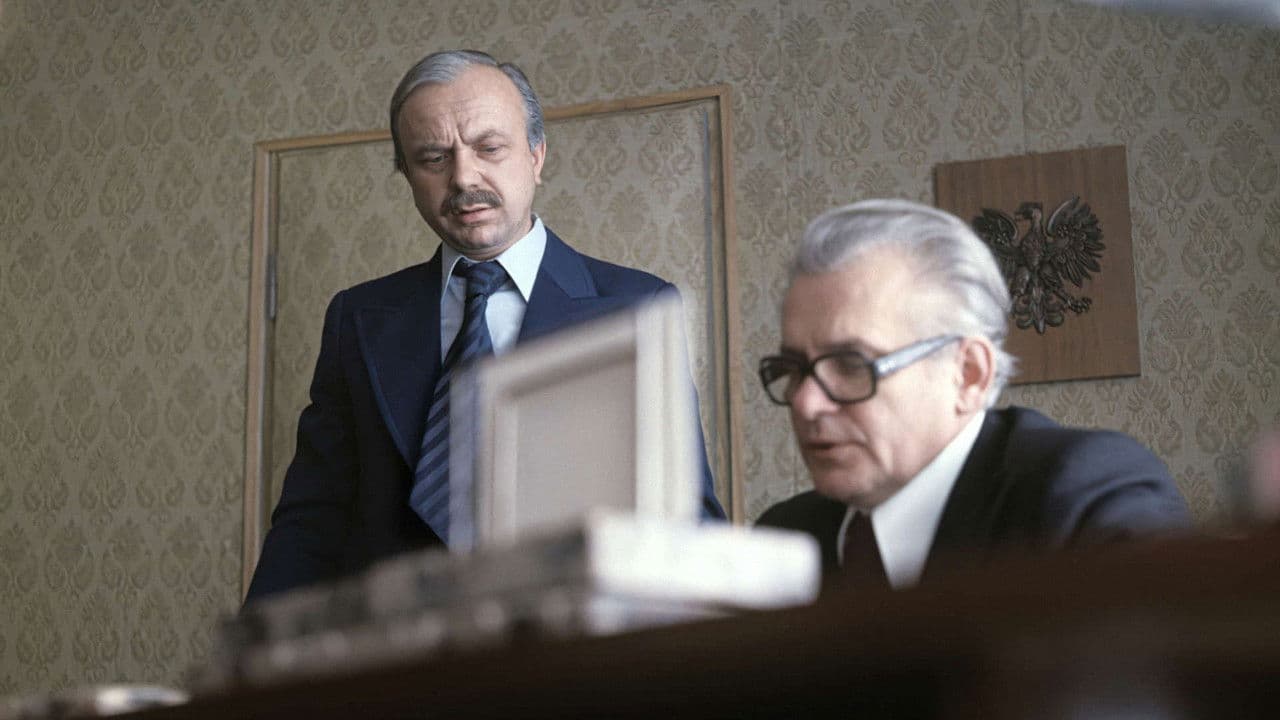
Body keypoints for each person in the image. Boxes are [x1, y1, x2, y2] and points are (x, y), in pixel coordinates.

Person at [246, 49, 725, 602]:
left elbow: (685, 518)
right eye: (433, 158)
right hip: (400, 644)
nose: (463, 177)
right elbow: (312, 520)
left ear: (537, 155)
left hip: (575, 639)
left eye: (489, 148)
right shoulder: (357, 319)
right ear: (408, 176)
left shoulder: (636, 305)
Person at [755, 199, 1190, 591]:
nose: (805, 403)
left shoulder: (1080, 498)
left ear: (968, 375)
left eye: (852, 365)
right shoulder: (784, 540)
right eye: (793, 369)